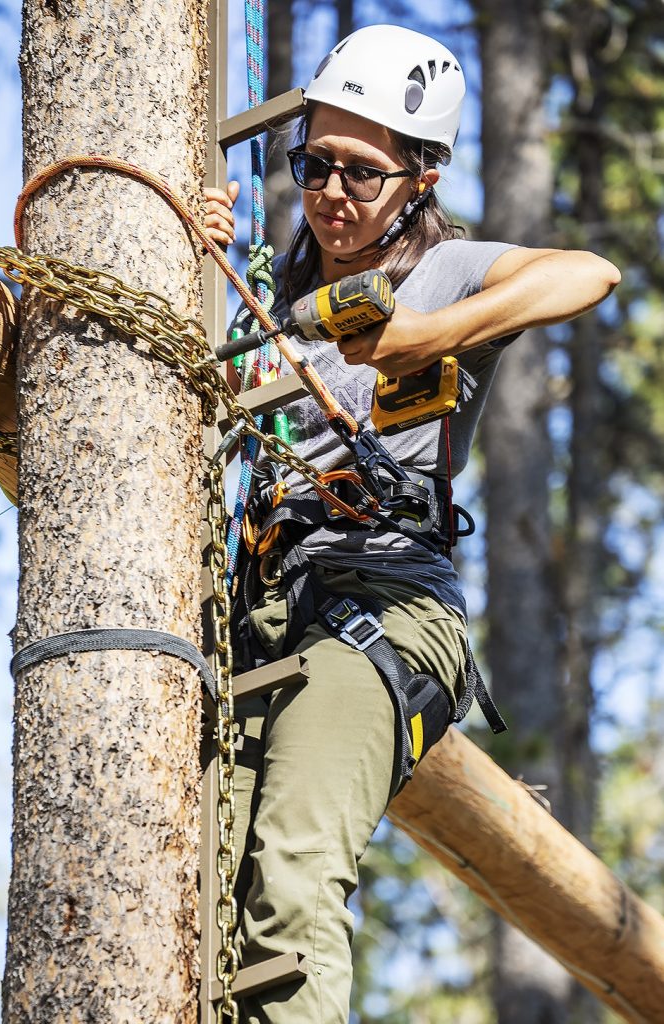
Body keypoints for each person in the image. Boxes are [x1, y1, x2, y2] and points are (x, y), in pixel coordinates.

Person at [204, 24, 620, 1024]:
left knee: (292, 879)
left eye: (360, 172)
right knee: (201, 904)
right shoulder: (270, 287)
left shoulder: (443, 274)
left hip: (381, 612)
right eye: (313, 164)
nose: (331, 193)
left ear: (421, 178)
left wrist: (423, 334)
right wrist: (188, 255)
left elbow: (587, 272)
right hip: (258, 612)